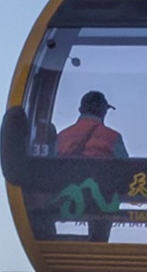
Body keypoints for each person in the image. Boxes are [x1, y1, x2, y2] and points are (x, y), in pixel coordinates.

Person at [51, 89, 130, 239]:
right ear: (103, 112)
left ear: (80, 110)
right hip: (101, 203)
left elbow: (51, 170)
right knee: (107, 200)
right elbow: (127, 169)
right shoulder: (112, 137)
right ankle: (99, 241)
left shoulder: (62, 136)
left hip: (67, 198)